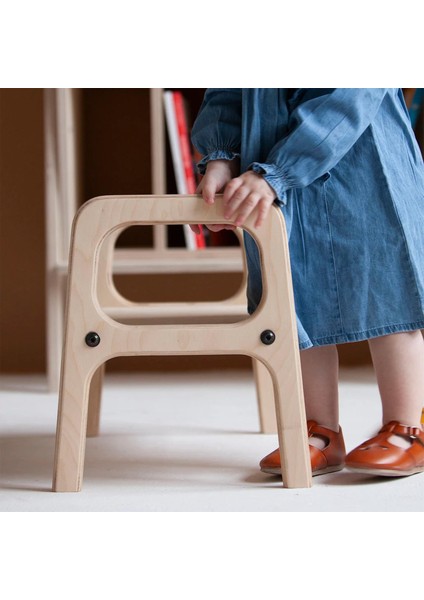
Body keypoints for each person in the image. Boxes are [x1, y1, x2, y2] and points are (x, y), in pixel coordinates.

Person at [190, 88, 424, 478]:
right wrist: (221, 156)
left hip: (362, 155)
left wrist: (279, 169)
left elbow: (352, 94)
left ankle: (406, 425)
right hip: (268, 170)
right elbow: (227, 92)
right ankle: (319, 430)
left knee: (387, 284)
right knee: (294, 294)